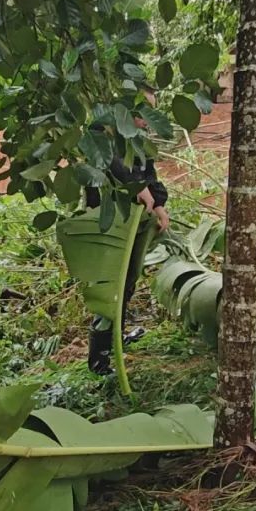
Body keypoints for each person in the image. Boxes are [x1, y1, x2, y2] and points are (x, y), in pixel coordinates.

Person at [84, 114, 170, 375]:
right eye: (141, 114)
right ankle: (99, 361)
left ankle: (116, 340)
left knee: (128, 281)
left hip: (136, 222)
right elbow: (109, 163)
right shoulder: (100, 131)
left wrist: (159, 203)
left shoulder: (139, 141)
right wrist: (136, 186)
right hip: (108, 222)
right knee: (110, 286)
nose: (146, 122)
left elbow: (151, 176)